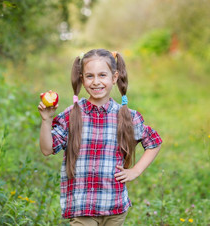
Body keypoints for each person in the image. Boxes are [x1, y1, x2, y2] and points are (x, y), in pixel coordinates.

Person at [37, 49, 162, 226]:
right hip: (83, 207)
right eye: (89, 76)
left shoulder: (126, 116)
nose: (96, 82)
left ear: (114, 77)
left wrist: (135, 171)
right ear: (82, 79)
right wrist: (46, 120)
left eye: (102, 75)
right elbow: (47, 149)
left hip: (115, 207)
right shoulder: (72, 115)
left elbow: (154, 143)